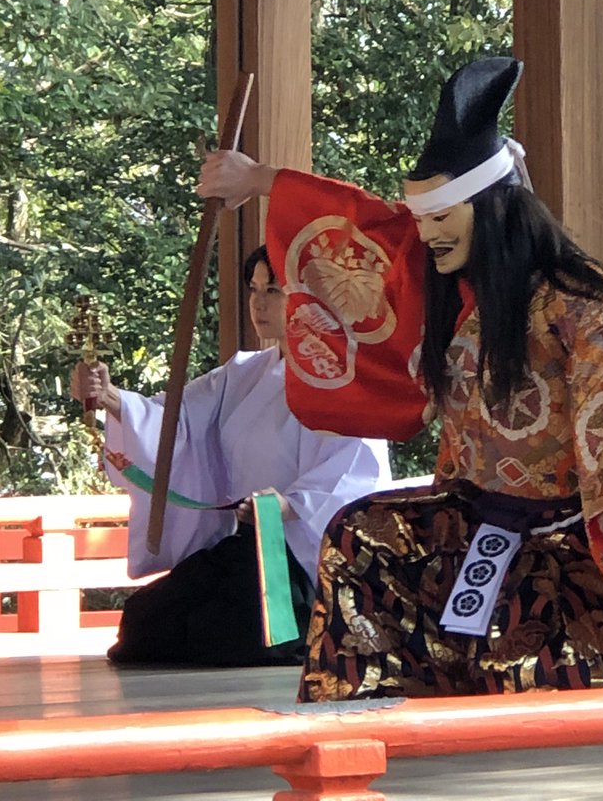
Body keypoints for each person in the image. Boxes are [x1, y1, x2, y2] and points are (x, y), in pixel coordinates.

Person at [197, 57, 603, 698]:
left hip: (571, 527)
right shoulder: (453, 293)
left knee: (531, 631)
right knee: (359, 537)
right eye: (423, 220)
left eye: (442, 218)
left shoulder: (576, 300)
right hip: (473, 512)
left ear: (492, 210)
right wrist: (262, 179)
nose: (426, 235)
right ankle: (363, 706)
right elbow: (367, 232)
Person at [71, 245, 391, 667]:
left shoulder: (344, 380)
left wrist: (288, 505)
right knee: (144, 624)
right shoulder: (242, 373)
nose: (258, 303)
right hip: (245, 545)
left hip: (302, 555)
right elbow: (178, 422)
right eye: (254, 289)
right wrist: (112, 398)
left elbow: (353, 474)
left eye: (272, 291)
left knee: (231, 632)